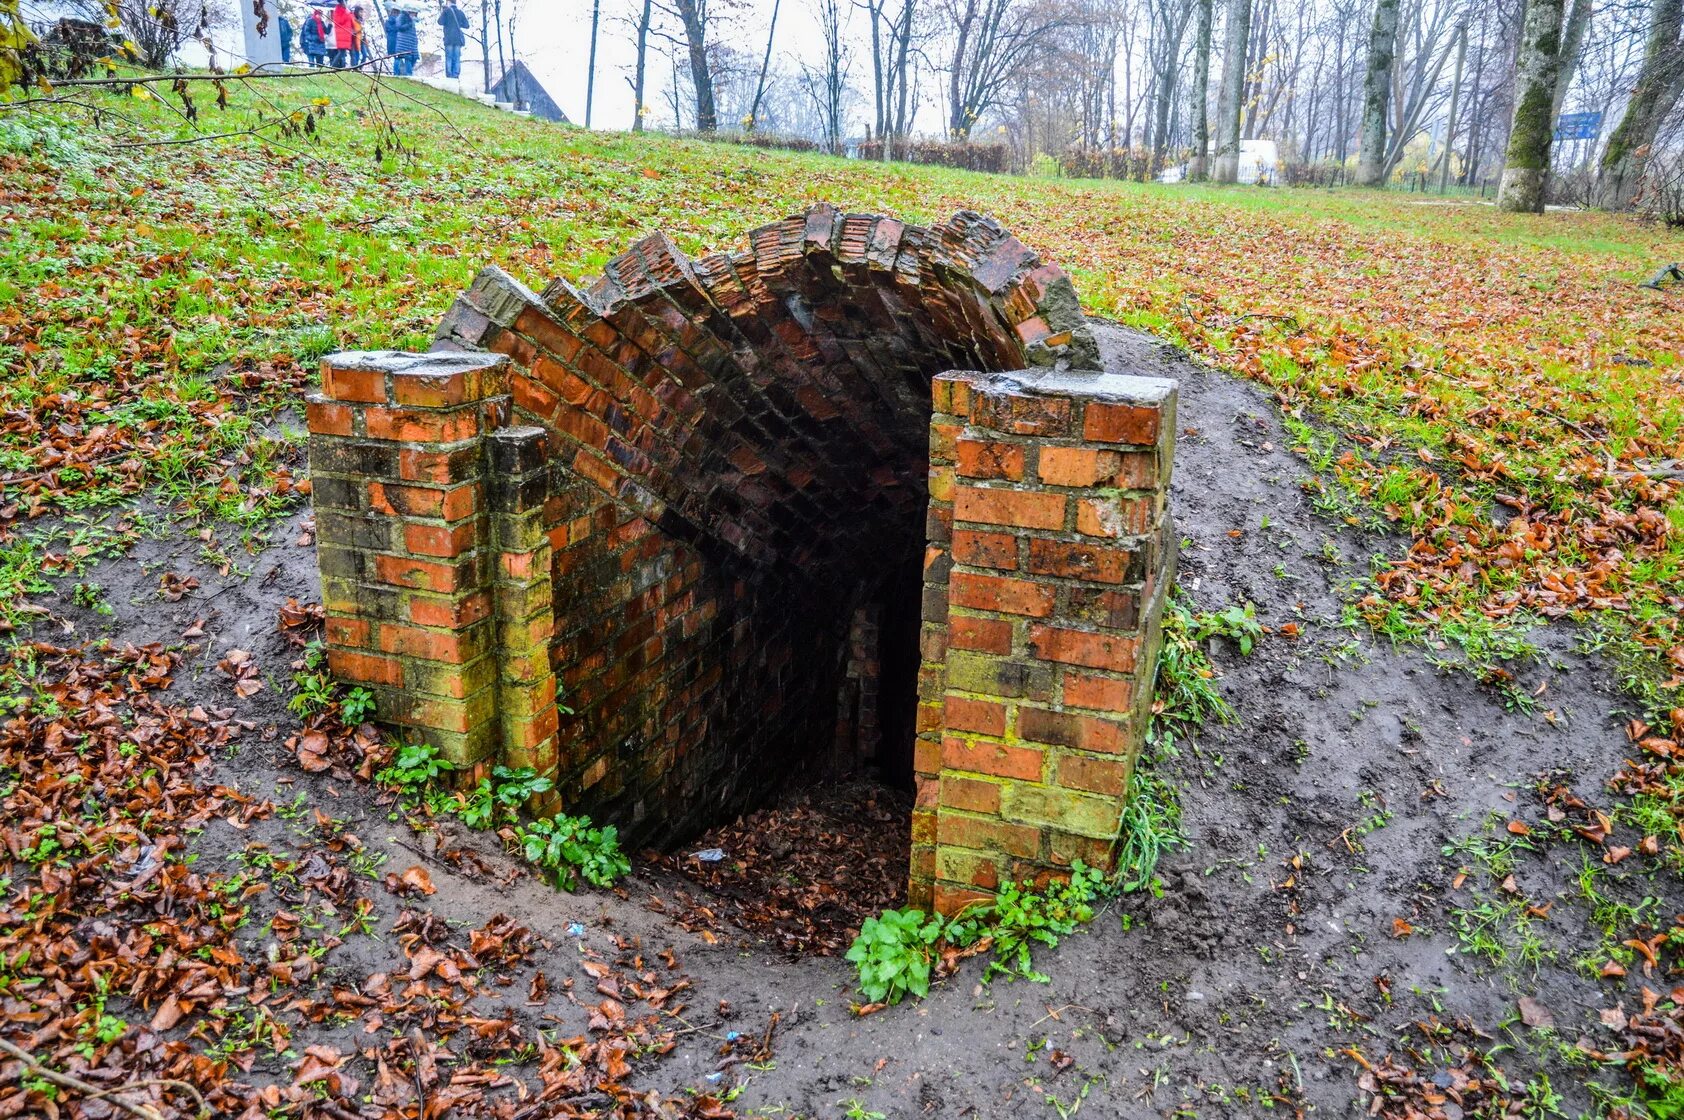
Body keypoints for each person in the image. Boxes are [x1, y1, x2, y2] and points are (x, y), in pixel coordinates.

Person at [438, 0, 468, 79]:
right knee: (457, 57)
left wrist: (443, 11)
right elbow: (467, 25)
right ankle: (456, 74)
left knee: (449, 57)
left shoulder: (446, 12)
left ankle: (449, 75)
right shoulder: (460, 13)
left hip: (449, 39)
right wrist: (458, 24)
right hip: (458, 39)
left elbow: (440, 22)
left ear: (448, 2)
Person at [329, 0, 355, 67]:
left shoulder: (346, 11)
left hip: (348, 34)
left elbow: (351, 21)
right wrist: (347, 13)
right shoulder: (338, 10)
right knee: (342, 52)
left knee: (352, 52)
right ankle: (333, 66)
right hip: (342, 35)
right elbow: (340, 21)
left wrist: (351, 14)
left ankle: (354, 67)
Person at [393, 7, 418, 75]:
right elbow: (399, 27)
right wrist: (410, 24)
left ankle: (408, 73)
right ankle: (396, 73)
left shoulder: (411, 20)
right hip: (402, 42)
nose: (414, 15)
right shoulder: (401, 17)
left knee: (409, 58)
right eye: (413, 13)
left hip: (409, 43)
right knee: (398, 57)